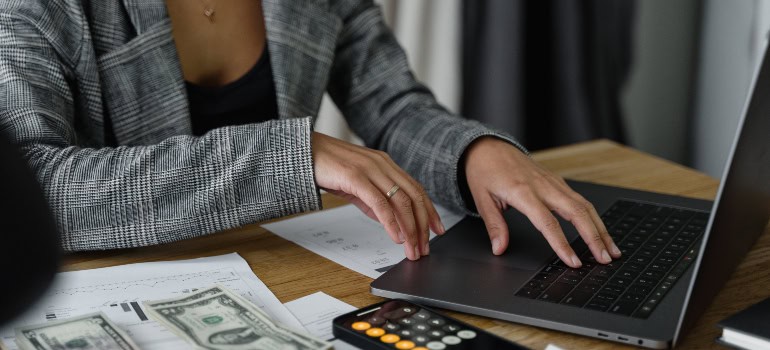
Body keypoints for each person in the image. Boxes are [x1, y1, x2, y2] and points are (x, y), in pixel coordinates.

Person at [0, 0, 620, 268]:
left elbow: (392, 106)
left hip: (285, 278)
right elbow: (37, 190)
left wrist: (476, 152)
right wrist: (289, 156)